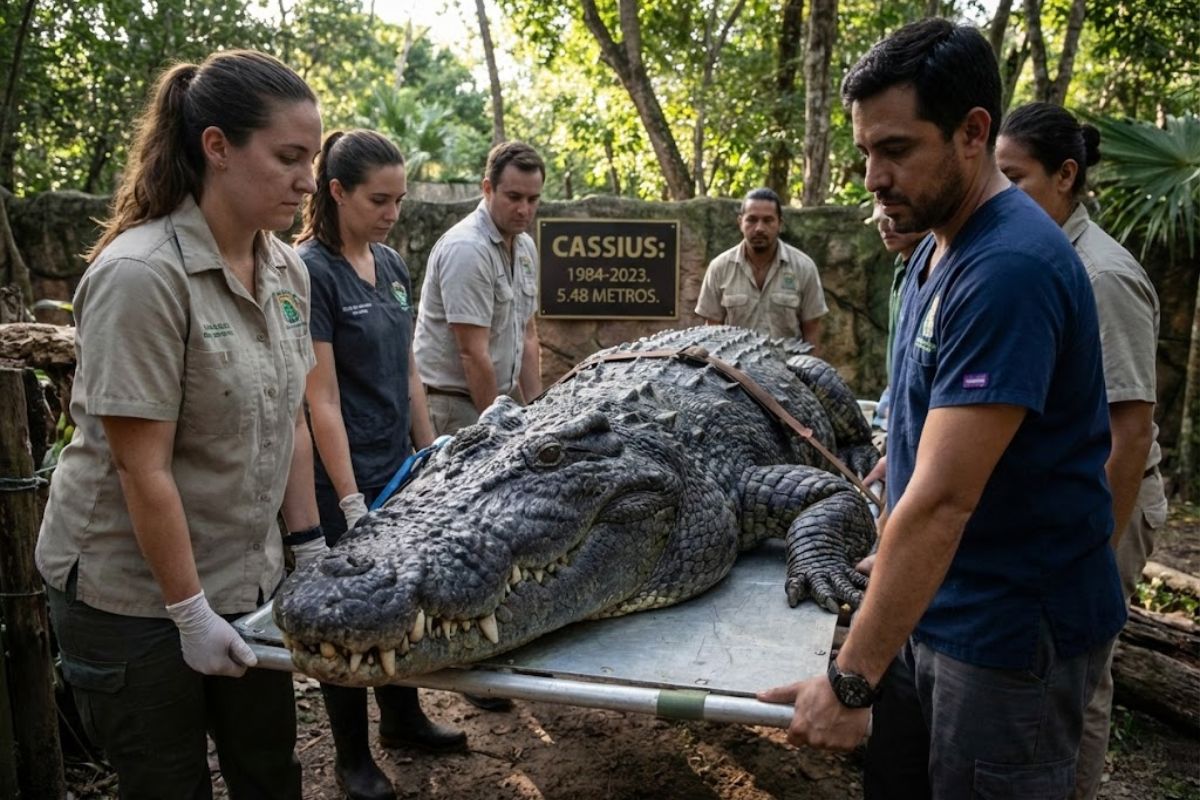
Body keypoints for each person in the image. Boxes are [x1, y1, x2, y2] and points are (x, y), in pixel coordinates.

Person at [759, 19, 1126, 799]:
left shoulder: (1010, 269)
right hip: (936, 610)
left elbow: (945, 500)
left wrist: (851, 679)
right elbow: (929, 436)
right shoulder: (934, 247)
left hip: (1006, 636)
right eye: (864, 151)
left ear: (973, 133)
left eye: (895, 150)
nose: (870, 177)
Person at [35, 50, 324, 798]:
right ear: (217, 147)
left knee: (269, 771)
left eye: (313, 159)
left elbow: (292, 416)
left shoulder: (288, 269)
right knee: (167, 784)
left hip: (246, 576)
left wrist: (310, 546)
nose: (308, 181)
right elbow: (142, 466)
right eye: (289, 157)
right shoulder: (142, 276)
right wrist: (189, 615)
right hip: (130, 595)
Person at [997, 102, 1167, 800]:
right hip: (1059, 501)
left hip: (1109, 501)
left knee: (1083, 669)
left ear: (1066, 176)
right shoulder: (1037, 257)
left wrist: (1093, 551)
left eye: (1017, 178)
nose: (1002, 196)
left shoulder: (1101, 277)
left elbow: (1128, 431)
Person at [295, 130, 468, 800]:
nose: (392, 211)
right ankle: (351, 758)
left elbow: (410, 374)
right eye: (378, 199)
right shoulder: (310, 272)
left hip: (399, 467)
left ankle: (402, 717)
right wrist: (349, 500)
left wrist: (430, 457)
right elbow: (321, 397)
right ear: (335, 192)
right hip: (343, 478)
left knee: (400, 595)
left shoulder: (392, 266)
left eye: (399, 198)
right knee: (346, 615)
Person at [411, 139, 545, 711]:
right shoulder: (466, 249)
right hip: (455, 406)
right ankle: (458, 665)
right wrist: (500, 428)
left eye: (533, 199)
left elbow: (530, 337)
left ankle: (487, 650)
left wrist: (541, 418)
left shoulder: (525, 248)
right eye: (513, 196)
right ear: (486, 188)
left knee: (497, 532)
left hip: (499, 402)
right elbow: (473, 356)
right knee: (454, 536)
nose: (524, 208)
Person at [694, 187, 828, 355]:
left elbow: (812, 332)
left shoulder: (804, 267)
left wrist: (810, 377)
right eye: (752, 220)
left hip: (788, 373)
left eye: (768, 220)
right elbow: (711, 333)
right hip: (735, 373)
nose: (759, 228)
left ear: (780, 223)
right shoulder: (719, 268)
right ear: (740, 222)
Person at [863, 208, 928, 488]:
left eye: (893, 215)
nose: (885, 225)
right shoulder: (903, 267)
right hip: (894, 400)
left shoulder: (932, 270)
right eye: (880, 216)